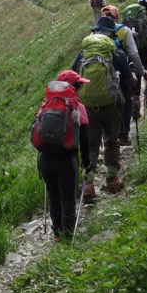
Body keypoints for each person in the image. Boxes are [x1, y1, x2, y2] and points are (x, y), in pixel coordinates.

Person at [71, 16, 134, 200]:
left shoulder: (84, 54)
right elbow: (129, 79)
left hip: (89, 106)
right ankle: (112, 180)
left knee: (91, 146)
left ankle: (89, 185)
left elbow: (74, 76)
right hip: (111, 104)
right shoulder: (114, 51)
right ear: (111, 34)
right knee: (112, 141)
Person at [35, 70, 91, 242]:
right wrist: (87, 164)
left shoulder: (46, 104)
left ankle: (57, 235)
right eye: (80, 85)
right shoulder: (77, 107)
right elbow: (83, 138)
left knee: (54, 197)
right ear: (74, 87)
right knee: (68, 199)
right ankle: (68, 239)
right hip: (66, 158)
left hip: (45, 158)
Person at [100, 5, 147, 146]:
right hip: (121, 71)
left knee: (107, 102)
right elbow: (133, 54)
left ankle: (108, 138)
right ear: (117, 17)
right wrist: (142, 72)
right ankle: (124, 135)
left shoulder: (95, 35)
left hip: (102, 72)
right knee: (127, 101)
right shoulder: (124, 30)